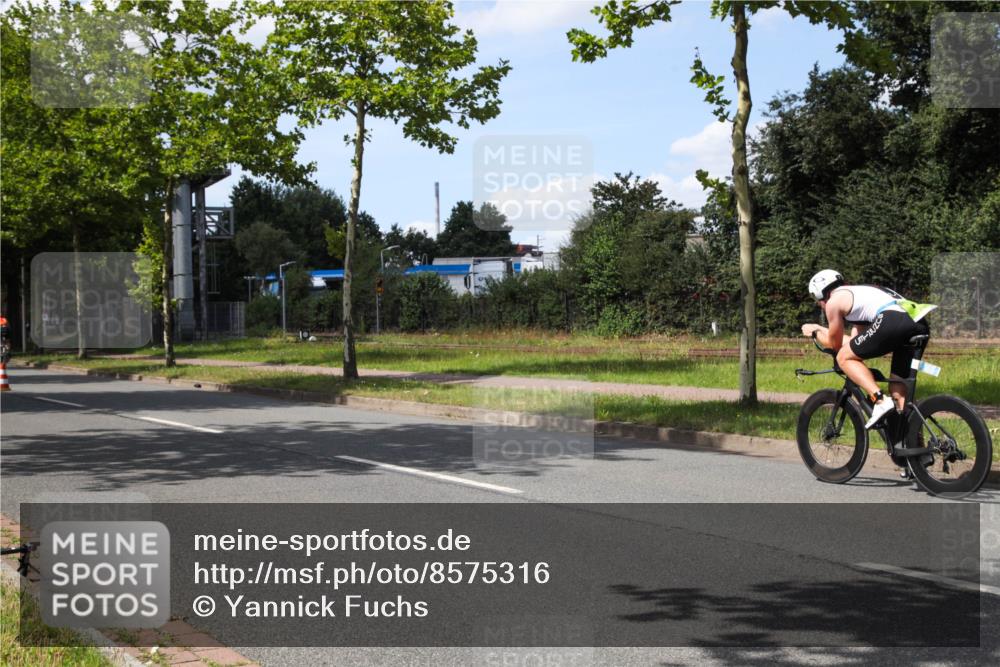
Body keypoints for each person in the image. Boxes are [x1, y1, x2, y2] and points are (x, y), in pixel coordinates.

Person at [800, 270, 932, 430]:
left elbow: (835, 345)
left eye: (817, 299)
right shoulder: (860, 294)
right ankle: (915, 448)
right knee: (899, 391)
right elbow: (854, 344)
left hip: (892, 319)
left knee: (843, 358)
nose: (819, 304)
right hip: (917, 321)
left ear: (823, 293)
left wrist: (816, 331)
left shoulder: (833, 302)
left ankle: (880, 400)